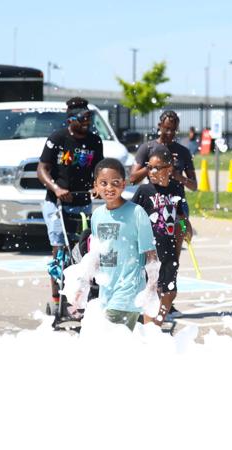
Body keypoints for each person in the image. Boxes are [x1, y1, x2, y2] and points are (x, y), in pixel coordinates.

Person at [37, 97, 104, 317]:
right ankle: (58, 300)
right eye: (83, 118)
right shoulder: (57, 138)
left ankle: (81, 298)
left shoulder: (95, 141)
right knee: (60, 251)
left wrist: (97, 186)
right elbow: (42, 170)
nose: (87, 122)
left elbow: (99, 170)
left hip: (83, 202)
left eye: (89, 117)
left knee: (84, 251)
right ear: (71, 119)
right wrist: (56, 188)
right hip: (57, 204)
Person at [129, 111, 197, 319]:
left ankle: (166, 298)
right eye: (165, 127)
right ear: (159, 125)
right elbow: (132, 178)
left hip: (174, 205)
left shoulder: (182, 152)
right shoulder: (147, 148)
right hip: (153, 207)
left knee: (171, 258)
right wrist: (151, 168)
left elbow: (194, 185)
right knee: (150, 262)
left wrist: (177, 176)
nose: (168, 132)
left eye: (173, 129)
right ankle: (149, 301)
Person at [87, 158, 158, 330]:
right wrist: (83, 285)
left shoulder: (136, 213)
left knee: (110, 338)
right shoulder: (97, 216)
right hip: (106, 292)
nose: (109, 188)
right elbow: (98, 253)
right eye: (103, 183)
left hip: (129, 291)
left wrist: (151, 288)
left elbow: (151, 255)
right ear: (95, 186)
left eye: (115, 182)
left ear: (124, 184)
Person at [132, 145, 190, 326]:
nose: (152, 171)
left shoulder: (177, 189)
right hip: (150, 250)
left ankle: (157, 321)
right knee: (152, 288)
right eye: (149, 167)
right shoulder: (144, 191)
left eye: (157, 167)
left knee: (170, 290)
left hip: (170, 247)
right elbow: (131, 214)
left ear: (169, 168)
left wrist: (184, 227)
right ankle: (150, 327)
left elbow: (180, 215)